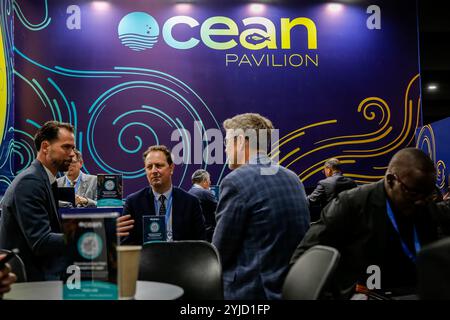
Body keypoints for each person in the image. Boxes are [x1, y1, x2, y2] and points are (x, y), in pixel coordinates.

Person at [290, 147, 450, 298]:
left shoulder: (424, 204)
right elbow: (303, 259)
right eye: (414, 194)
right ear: (391, 180)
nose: (421, 202)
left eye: (428, 195)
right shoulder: (351, 204)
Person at [212, 113, 310, 300]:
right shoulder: (293, 179)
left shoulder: (235, 181)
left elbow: (218, 254)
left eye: (226, 142)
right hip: (289, 290)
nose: (224, 149)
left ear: (240, 141)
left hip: (250, 294)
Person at [0, 121, 76, 281]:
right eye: (66, 147)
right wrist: (89, 234)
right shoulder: (30, 182)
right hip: (28, 282)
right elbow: (41, 242)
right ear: (45, 147)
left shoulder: (44, 179)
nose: (72, 154)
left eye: (73, 148)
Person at [120, 145, 206, 244]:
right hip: (147, 257)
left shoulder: (191, 202)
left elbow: (200, 243)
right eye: (149, 167)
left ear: (171, 168)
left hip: (181, 258)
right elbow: (126, 243)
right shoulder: (133, 202)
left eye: (159, 166)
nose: (154, 171)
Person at [188, 169, 217, 242]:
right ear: (204, 181)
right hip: (208, 235)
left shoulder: (189, 192)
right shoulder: (205, 193)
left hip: (194, 235)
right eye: (209, 180)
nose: (210, 182)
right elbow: (220, 209)